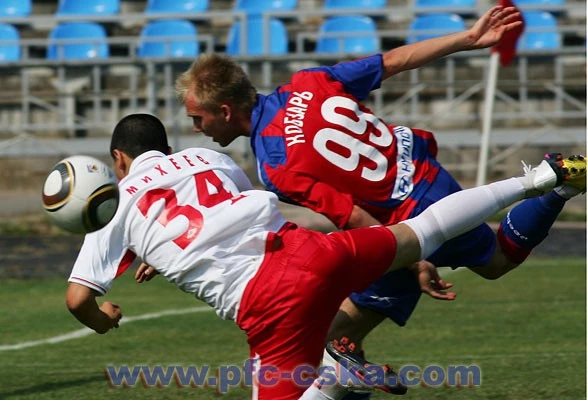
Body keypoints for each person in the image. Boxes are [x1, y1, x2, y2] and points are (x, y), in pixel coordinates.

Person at [173, 6, 586, 397]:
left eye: (197, 118)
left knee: (328, 340)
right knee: (344, 341)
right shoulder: (307, 82)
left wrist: (412, 259)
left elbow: (352, 216)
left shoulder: (275, 165)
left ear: (224, 111)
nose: (196, 128)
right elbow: (393, 61)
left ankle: (557, 186)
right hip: (424, 173)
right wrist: (469, 38)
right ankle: (558, 184)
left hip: (406, 217)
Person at [65, 113, 581, 400]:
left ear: (118, 160)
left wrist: (103, 317)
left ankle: (338, 378)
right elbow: (226, 208)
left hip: (267, 302)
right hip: (311, 251)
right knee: (424, 229)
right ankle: (537, 179)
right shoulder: (206, 157)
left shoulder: (118, 202)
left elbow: (77, 299)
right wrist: (157, 247)